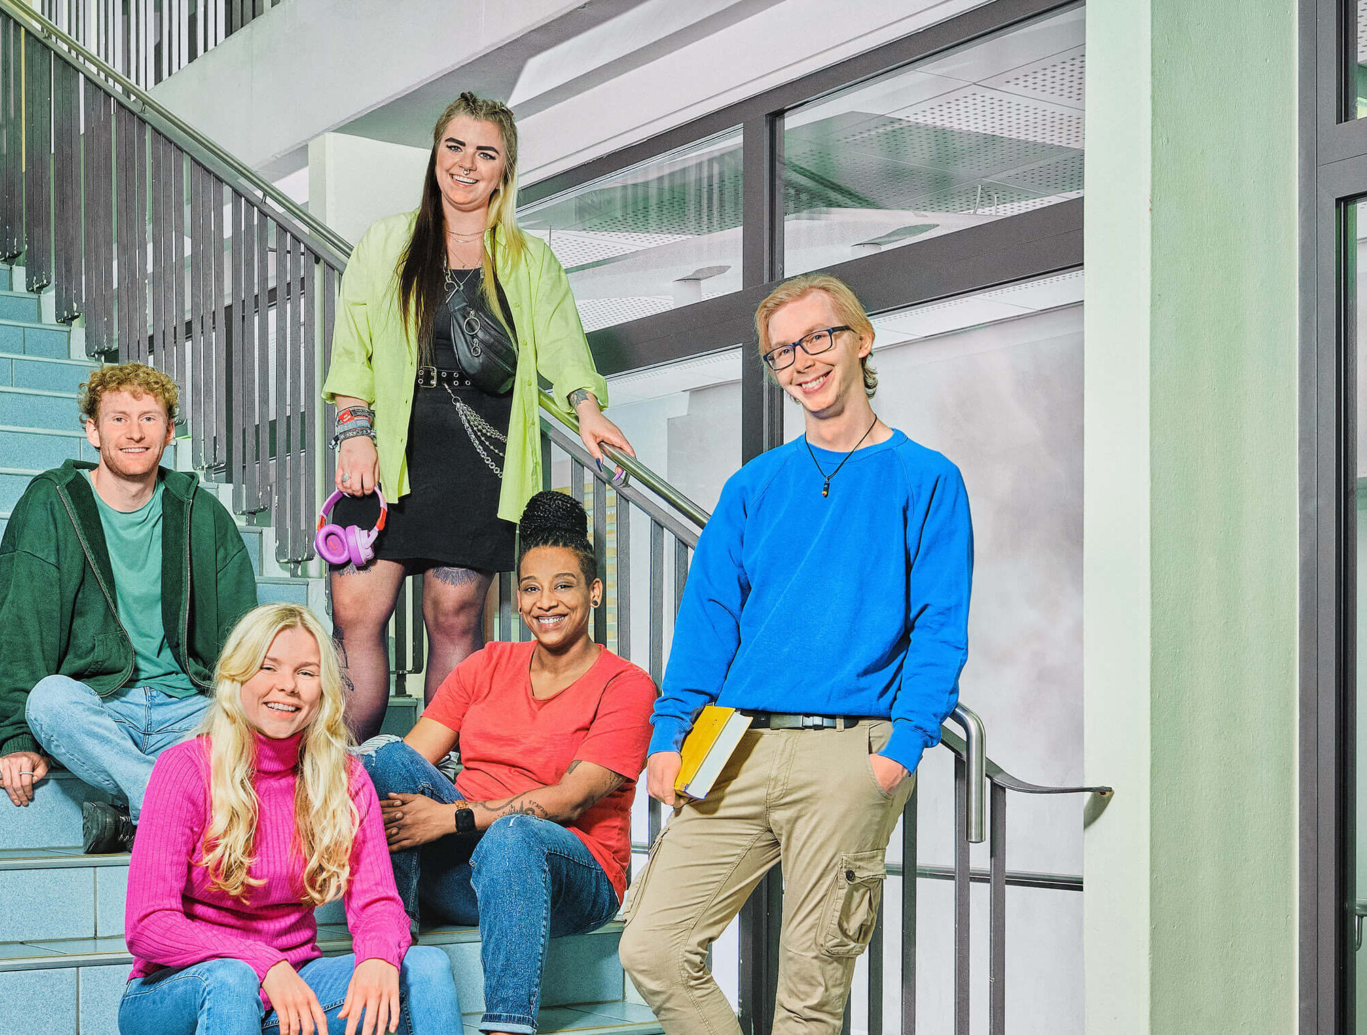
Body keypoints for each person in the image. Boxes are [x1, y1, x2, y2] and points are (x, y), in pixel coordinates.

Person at [617, 273, 974, 1035]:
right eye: (783, 351)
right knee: (652, 944)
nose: (802, 360)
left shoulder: (927, 480)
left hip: (850, 752)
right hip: (732, 742)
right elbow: (706, 625)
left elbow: (940, 627)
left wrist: (900, 749)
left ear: (861, 339)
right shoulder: (753, 487)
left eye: (818, 338)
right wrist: (668, 735)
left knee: (808, 998)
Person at [322, 91, 636, 742]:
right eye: (455, 146)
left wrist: (586, 407)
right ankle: (332, 782)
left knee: (456, 614)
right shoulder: (386, 244)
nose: (467, 164)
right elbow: (352, 348)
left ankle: (433, 784)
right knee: (356, 611)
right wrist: (354, 431)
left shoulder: (528, 260)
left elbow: (562, 344)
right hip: (386, 453)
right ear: (436, 154)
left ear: (504, 170)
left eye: (485, 153)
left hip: (481, 458)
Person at [360, 490, 656, 1035]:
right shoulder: (488, 662)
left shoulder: (626, 686)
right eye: (531, 588)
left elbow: (572, 798)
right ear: (517, 601)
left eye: (563, 586)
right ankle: (391, 962)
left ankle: (507, 1026)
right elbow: (408, 760)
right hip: (463, 872)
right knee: (385, 758)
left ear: (593, 593)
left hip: (572, 874)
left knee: (515, 836)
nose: (546, 602)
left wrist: (451, 818)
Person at [120, 603, 462, 1035]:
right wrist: (262, 963)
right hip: (178, 990)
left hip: (294, 986)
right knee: (232, 978)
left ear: (323, 689)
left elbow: (378, 903)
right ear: (237, 675)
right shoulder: (185, 769)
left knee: (425, 967)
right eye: (268, 667)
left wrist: (377, 955)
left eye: (306, 672)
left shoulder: (344, 777)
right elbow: (149, 925)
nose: (288, 686)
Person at [0, 363, 258, 854]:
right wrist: (17, 738)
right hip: (102, 706)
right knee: (49, 700)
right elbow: (19, 625)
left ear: (169, 432)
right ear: (92, 430)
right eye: (118, 418)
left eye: (149, 419)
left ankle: (136, 813)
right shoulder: (52, 504)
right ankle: (174, 806)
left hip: (188, 710)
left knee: (264, 714)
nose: (134, 432)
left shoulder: (201, 514)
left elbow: (245, 638)